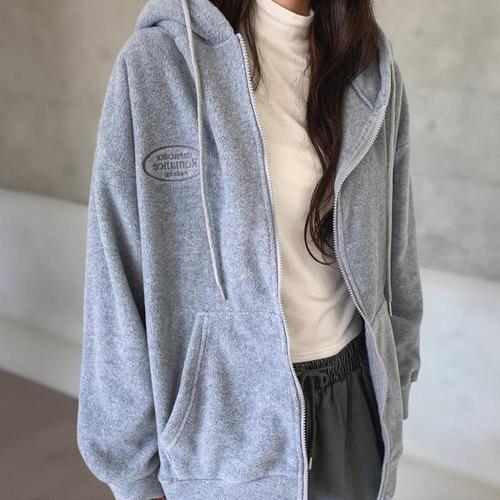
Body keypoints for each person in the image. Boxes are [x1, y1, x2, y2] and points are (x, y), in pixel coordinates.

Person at [76, 0, 423, 499]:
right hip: (224, 429)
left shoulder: (369, 67)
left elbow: (397, 246)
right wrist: (131, 473)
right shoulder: (157, 65)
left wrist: (396, 381)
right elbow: (115, 273)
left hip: (354, 404)